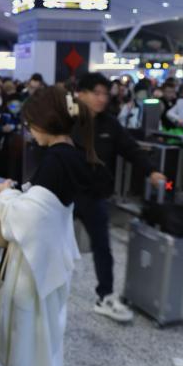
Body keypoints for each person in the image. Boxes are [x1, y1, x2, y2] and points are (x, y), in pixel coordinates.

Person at [0, 87, 96, 366]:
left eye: (30, 124)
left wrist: (7, 196)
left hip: (34, 268)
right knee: (45, 339)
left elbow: (26, 220)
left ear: (45, 122)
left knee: (29, 342)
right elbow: (44, 203)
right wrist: (20, 190)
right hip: (52, 260)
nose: (30, 131)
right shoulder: (73, 154)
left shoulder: (54, 160)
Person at [73, 72, 167, 323]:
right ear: (81, 94)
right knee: (49, 244)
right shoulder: (66, 121)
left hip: (95, 196)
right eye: (97, 93)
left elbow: (131, 150)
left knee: (102, 247)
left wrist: (151, 171)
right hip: (66, 195)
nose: (102, 99)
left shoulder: (110, 124)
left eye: (105, 93)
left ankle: (105, 296)